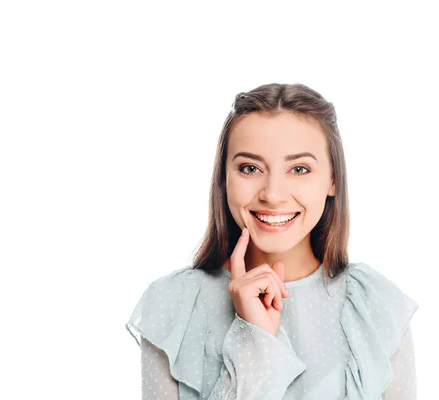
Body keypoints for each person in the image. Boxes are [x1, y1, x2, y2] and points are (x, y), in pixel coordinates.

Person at [125, 83, 419, 399]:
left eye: (299, 169)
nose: (273, 194)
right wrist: (255, 343)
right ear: (224, 179)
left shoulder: (374, 307)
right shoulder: (174, 304)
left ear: (333, 179)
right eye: (250, 168)